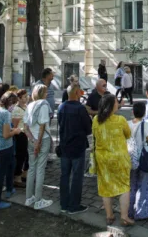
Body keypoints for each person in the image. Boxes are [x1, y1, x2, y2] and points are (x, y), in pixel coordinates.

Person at [92, 94, 135, 226]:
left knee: (106, 186)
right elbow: (128, 134)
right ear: (111, 106)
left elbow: (94, 135)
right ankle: (124, 217)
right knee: (124, 186)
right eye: (116, 102)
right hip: (119, 158)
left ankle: (109, 215)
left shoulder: (96, 119)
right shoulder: (120, 120)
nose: (118, 103)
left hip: (102, 158)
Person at [58, 82, 92, 214]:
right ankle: (74, 205)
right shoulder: (80, 109)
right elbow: (88, 128)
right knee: (77, 176)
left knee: (64, 175)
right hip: (77, 146)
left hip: (65, 145)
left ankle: (64, 203)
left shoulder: (61, 107)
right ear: (77, 93)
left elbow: (60, 124)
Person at [0, 92, 22, 210]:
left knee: (11, 165)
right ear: (10, 103)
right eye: (14, 104)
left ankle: (9, 188)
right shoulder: (6, 114)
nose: (14, 107)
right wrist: (16, 131)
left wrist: (11, 129)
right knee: (1, 174)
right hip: (4, 147)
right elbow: (6, 135)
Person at [25, 84, 53, 210]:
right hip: (42, 140)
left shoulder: (30, 105)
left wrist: (32, 140)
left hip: (31, 140)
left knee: (32, 168)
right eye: (46, 92)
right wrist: (38, 142)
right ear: (42, 93)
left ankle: (28, 197)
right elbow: (42, 126)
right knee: (40, 169)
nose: (47, 94)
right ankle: (38, 200)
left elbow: (25, 127)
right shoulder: (44, 105)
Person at [127, 102, 148, 221]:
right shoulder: (145, 125)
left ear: (133, 112)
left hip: (130, 158)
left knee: (131, 185)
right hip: (143, 159)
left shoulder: (127, 124)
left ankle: (129, 210)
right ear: (144, 113)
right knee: (144, 185)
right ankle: (141, 212)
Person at [11, 89, 30, 188]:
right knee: (20, 156)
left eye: (27, 96)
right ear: (19, 98)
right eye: (24, 97)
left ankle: (24, 174)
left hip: (26, 134)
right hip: (20, 135)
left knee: (26, 156)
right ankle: (17, 177)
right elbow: (14, 126)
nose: (27, 98)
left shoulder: (26, 106)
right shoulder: (17, 109)